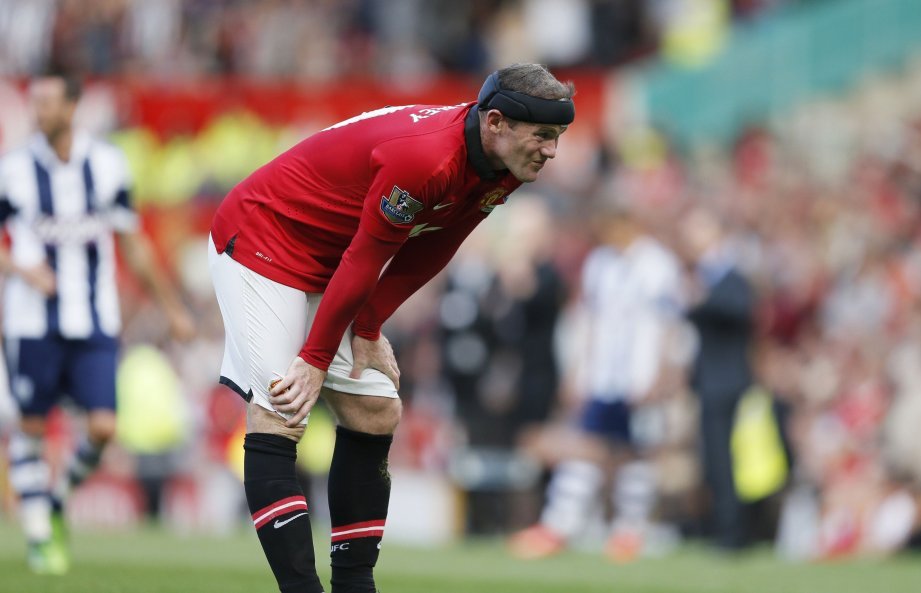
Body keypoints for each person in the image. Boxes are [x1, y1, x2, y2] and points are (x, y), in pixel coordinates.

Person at [207, 63, 574, 593]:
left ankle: (355, 586)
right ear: (496, 122)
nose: (552, 150)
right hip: (264, 239)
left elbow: (438, 243)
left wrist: (369, 324)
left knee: (377, 410)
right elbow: (366, 256)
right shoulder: (425, 158)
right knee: (282, 408)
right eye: (543, 135)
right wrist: (314, 359)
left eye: (557, 136)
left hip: (329, 262)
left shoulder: (504, 163)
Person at [0, 70, 196, 574]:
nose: (39, 111)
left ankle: (56, 499)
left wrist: (172, 308)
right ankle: (40, 536)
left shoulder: (107, 165)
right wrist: (21, 269)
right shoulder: (14, 169)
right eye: (34, 101)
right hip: (30, 321)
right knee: (31, 426)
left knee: (104, 427)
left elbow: (133, 242)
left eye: (48, 102)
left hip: (93, 319)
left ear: (72, 107)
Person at [509, 200, 684, 563]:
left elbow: (669, 325)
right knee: (585, 447)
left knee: (637, 452)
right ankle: (560, 525)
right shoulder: (600, 264)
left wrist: (662, 374)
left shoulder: (658, 264)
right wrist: (578, 371)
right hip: (603, 376)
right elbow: (588, 322)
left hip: (640, 375)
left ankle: (629, 530)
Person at [679, 206, 756, 551]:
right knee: (714, 459)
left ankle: (732, 533)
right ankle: (722, 528)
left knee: (725, 460)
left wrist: (701, 302)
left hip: (726, 382)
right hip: (710, 381)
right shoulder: (705, 276)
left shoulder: (728, 276)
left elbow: (739, 311)